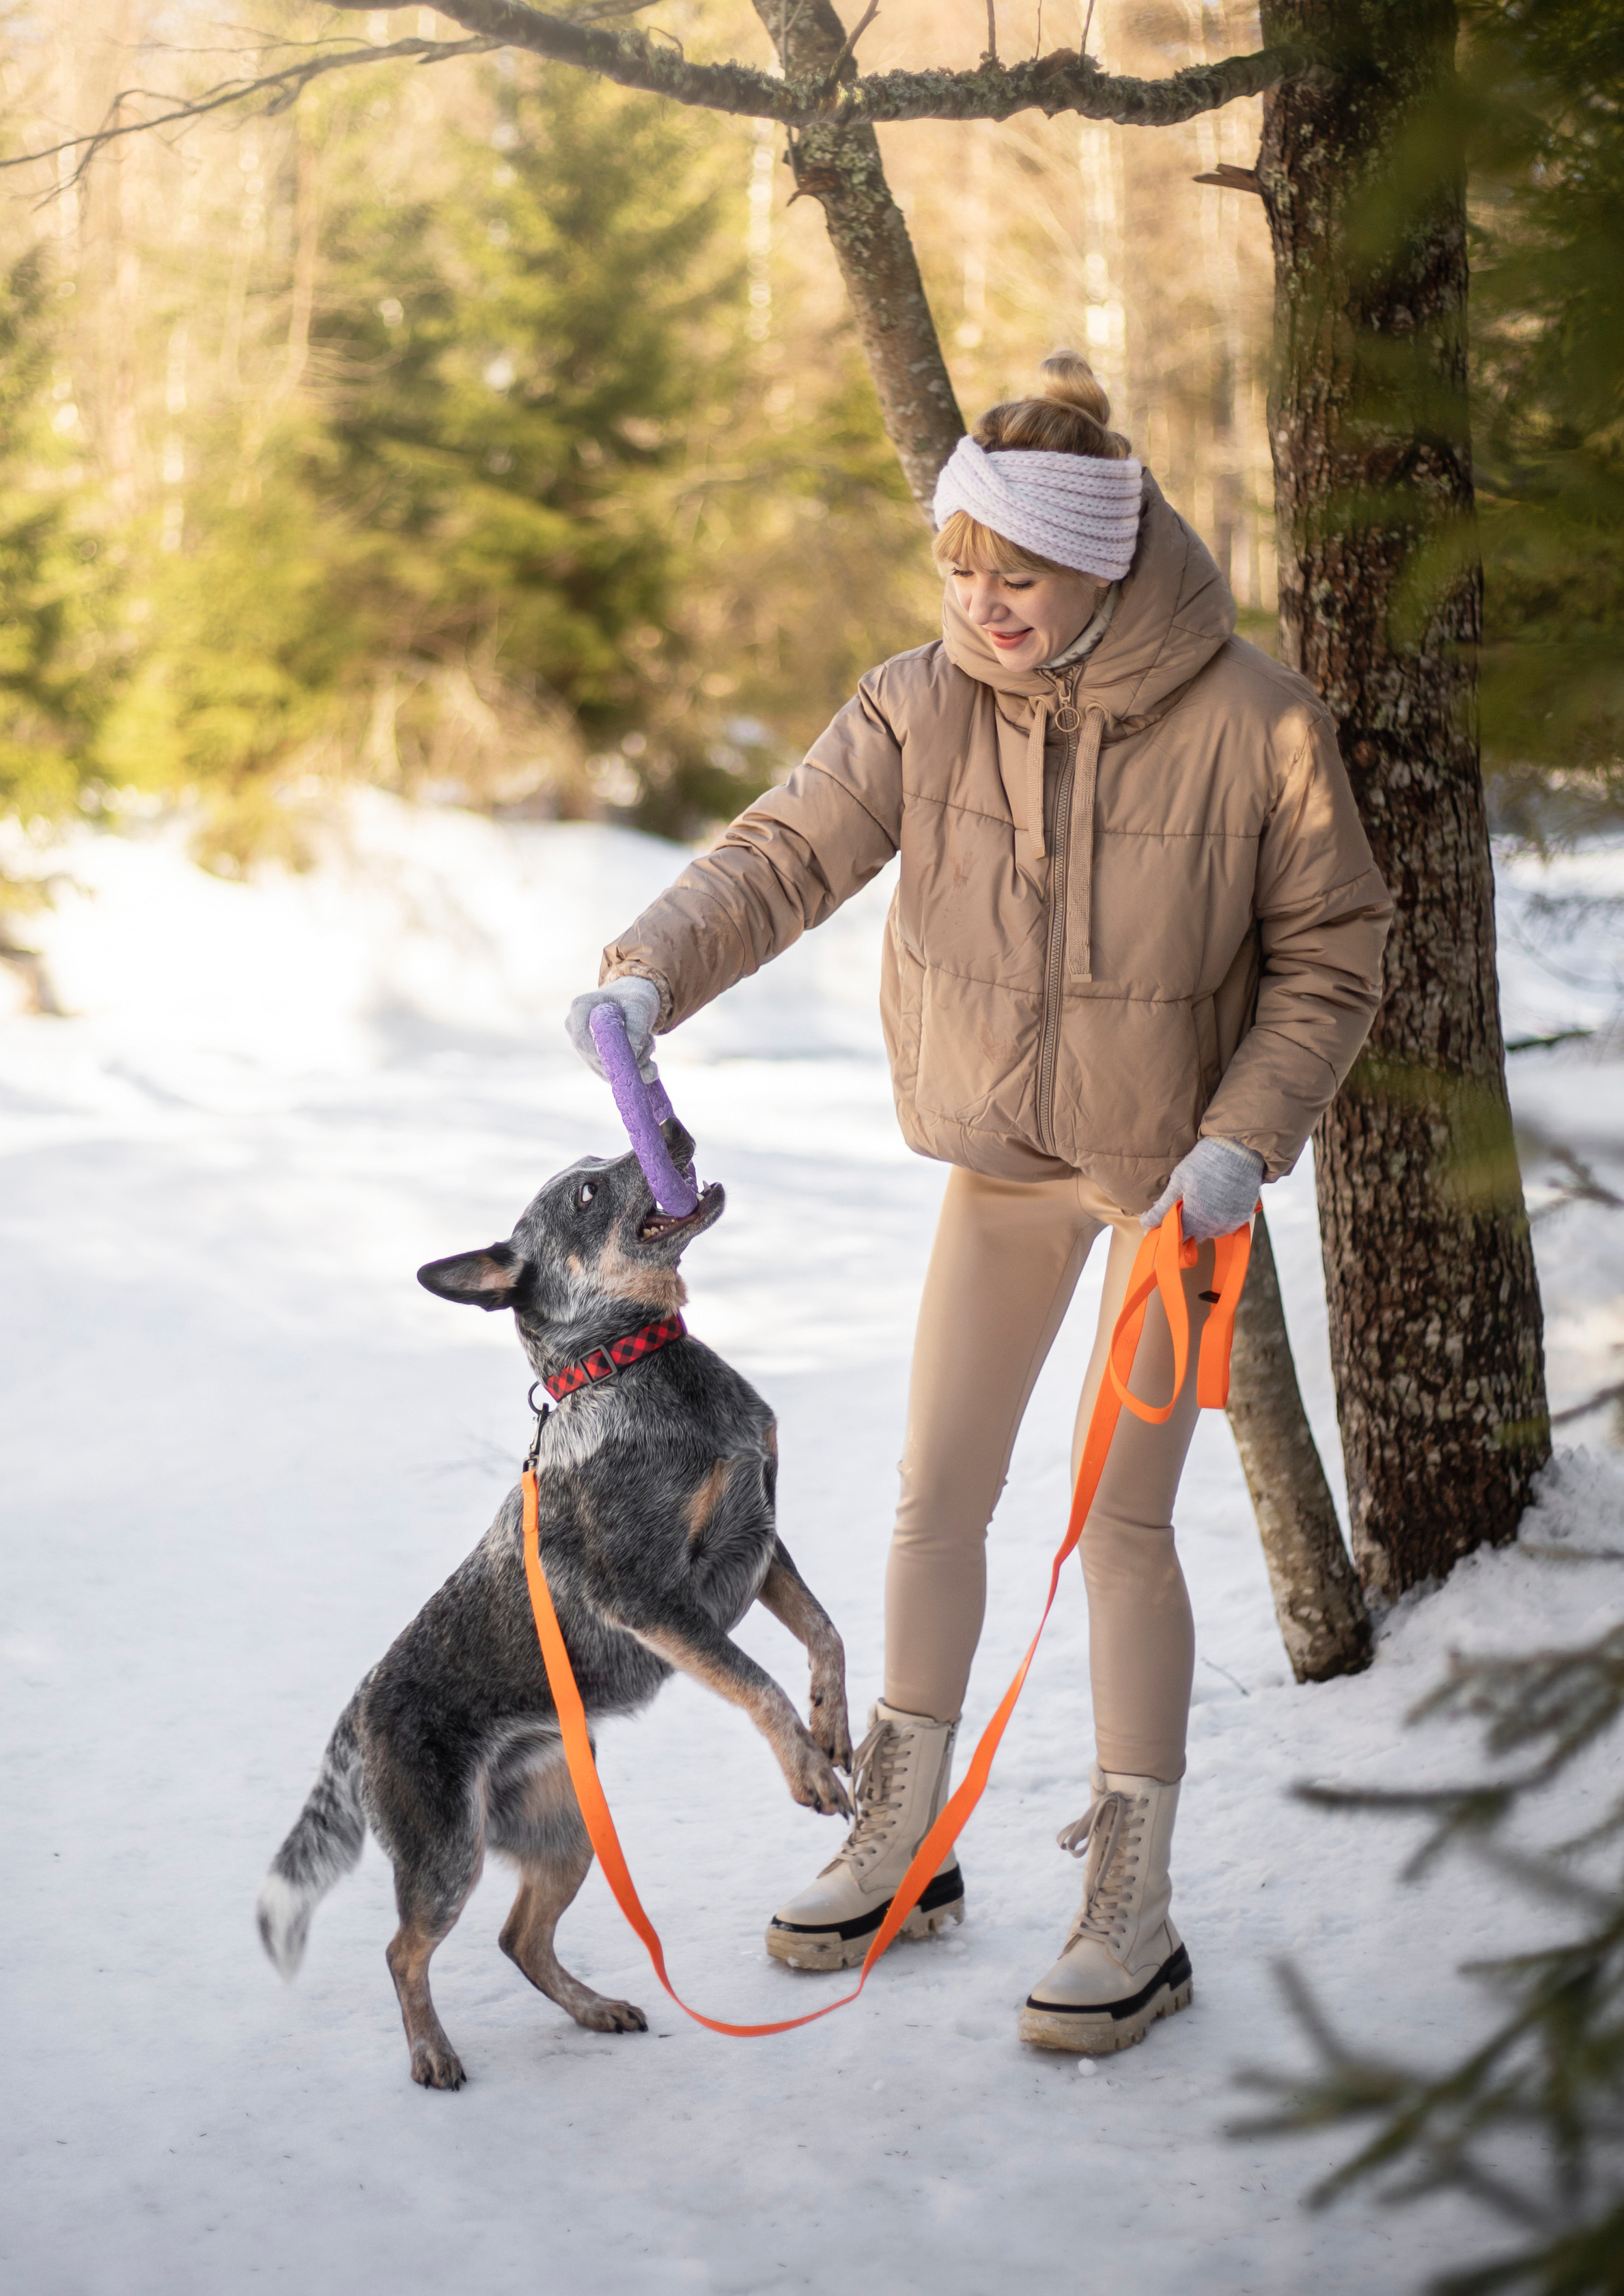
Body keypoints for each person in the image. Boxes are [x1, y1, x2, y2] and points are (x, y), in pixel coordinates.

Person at [564, 353, 1390, 2056]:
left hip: (1180, 1187)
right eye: (956, 569)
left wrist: (1237, 1144)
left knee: (1128, 1527)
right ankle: (906, 1831)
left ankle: (1130, 1901)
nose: (979, 604)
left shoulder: (1255, 723)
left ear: (1101, 561)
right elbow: (781, 852)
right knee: (935, 1493)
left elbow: (1333, 956)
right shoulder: (917, 702)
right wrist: (648, 972)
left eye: (1012, 575)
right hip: (1006, 1169)